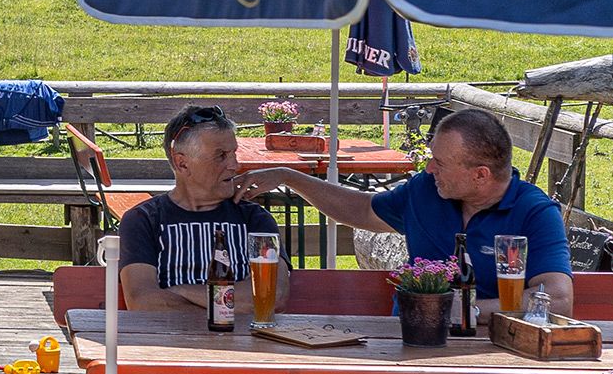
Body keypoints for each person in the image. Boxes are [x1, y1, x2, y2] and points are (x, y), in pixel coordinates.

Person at [241, 106, 575, 315]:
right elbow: (359, 210)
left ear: (481, 175)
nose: (429, 168)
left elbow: (558, 301)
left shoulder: (535, 212)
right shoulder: (425, 191)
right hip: (408, 342)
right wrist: (290, 177)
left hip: (495, 349)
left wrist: (467, 310)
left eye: (440, 162)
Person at [114, 106, 282, 314]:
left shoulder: (254, 219)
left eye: (233, 153)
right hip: (168, 346)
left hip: (243, 346)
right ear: (182, 163)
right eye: (221, 155)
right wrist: (232, 306)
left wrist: (179, 291)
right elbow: (143, 302)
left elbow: (271, 297)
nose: (235, 165)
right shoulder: (144, 220)